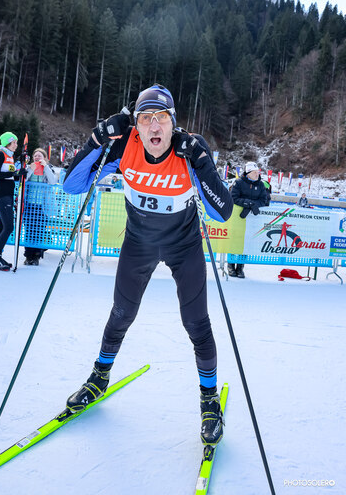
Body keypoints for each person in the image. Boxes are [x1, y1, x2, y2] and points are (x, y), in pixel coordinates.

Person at [63, 84, 233, 447]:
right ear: (136, 125)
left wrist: (202, 163)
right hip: (139, 244)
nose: (154, 126)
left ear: (173, 122)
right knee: (121, 313)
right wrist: (96, 139)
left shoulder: (189, 150)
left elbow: (222, 212)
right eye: (145, 118)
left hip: (184, 246)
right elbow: (72, 185)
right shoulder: (124, 146)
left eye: (161, 118)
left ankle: (209, 401)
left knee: (196, 323)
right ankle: (99, 377)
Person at [0, 132, 26, 271]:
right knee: (9, 227)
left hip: (7, 195)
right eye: (14, 142)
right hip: (1, 195)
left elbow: (10, 177)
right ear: (7, 143)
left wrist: (20, 173)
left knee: (1, 227)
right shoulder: (0, 154)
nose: (16, 145)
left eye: (16, 142)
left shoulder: (10, 157)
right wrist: (14, 173)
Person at [228, 161, 268, 279]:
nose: (257, 174)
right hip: (237, 217)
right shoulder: (239, 182)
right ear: (248, 173)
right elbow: (233, 198)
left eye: (258, 172)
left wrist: (254, 204)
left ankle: (240, 267)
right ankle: (231, 265)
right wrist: (247, 203)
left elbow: (264, 200)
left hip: (251, 219)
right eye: (254, 172)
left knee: (246, 242)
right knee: (234, 240)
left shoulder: (260, 185)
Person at [23, 148, 57, 265]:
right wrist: (30, 170)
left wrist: (45, 167)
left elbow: (53, 181)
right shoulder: (29, 168)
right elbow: (23, 180)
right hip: (29, 204)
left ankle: (37, 255)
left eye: (39, 156)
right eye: (35, 156)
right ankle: (28, 255)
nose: (37, 158)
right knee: (29, 229)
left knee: (39, 230)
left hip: (43, 206)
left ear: (45, 158)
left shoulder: (49, 168)